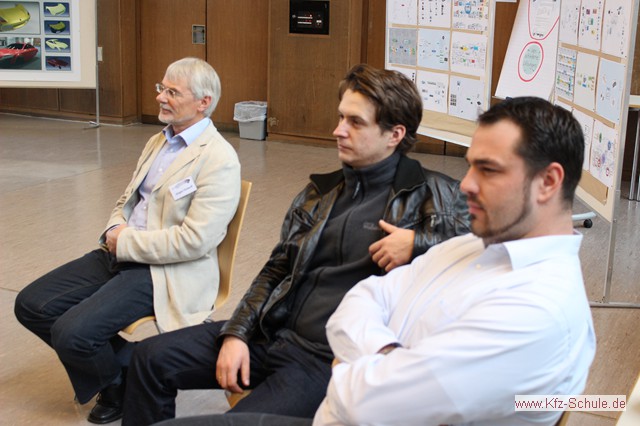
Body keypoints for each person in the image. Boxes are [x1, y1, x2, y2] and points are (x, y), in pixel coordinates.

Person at [152, 96, 597, 426]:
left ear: (548, 182)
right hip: (315, 381)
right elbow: (362, 297)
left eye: (489, 169)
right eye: (470, 166)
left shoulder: (537, 310)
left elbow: (365, 403)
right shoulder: (470, 248)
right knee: (151, 363)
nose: (465, 184)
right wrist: (385, 358)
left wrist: (350, 364)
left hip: (336, 401)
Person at [120, 63, 470, 426]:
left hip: (323, 358)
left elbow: (485, 254)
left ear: (395, 134)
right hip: (272, 331)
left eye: (355, 122)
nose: (338, 130)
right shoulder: (320, 192)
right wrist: (237, 333)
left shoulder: (438, 196)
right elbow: (277, 269)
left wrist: (419, 242)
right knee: (149, 358)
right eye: (341, 117)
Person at [13, 57, 241, 424]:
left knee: (72, 334)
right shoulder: (158, 141)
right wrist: (112, 229)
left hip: (164, 269)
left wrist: (126, 242)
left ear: (204, 102)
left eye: (172, 92)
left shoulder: (219, 158)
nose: (160, 98)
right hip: (120, 250)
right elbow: (128, 199)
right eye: (161, 88)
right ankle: (123, 374)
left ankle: (119, 385)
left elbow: (195, 241)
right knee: (31, 305)